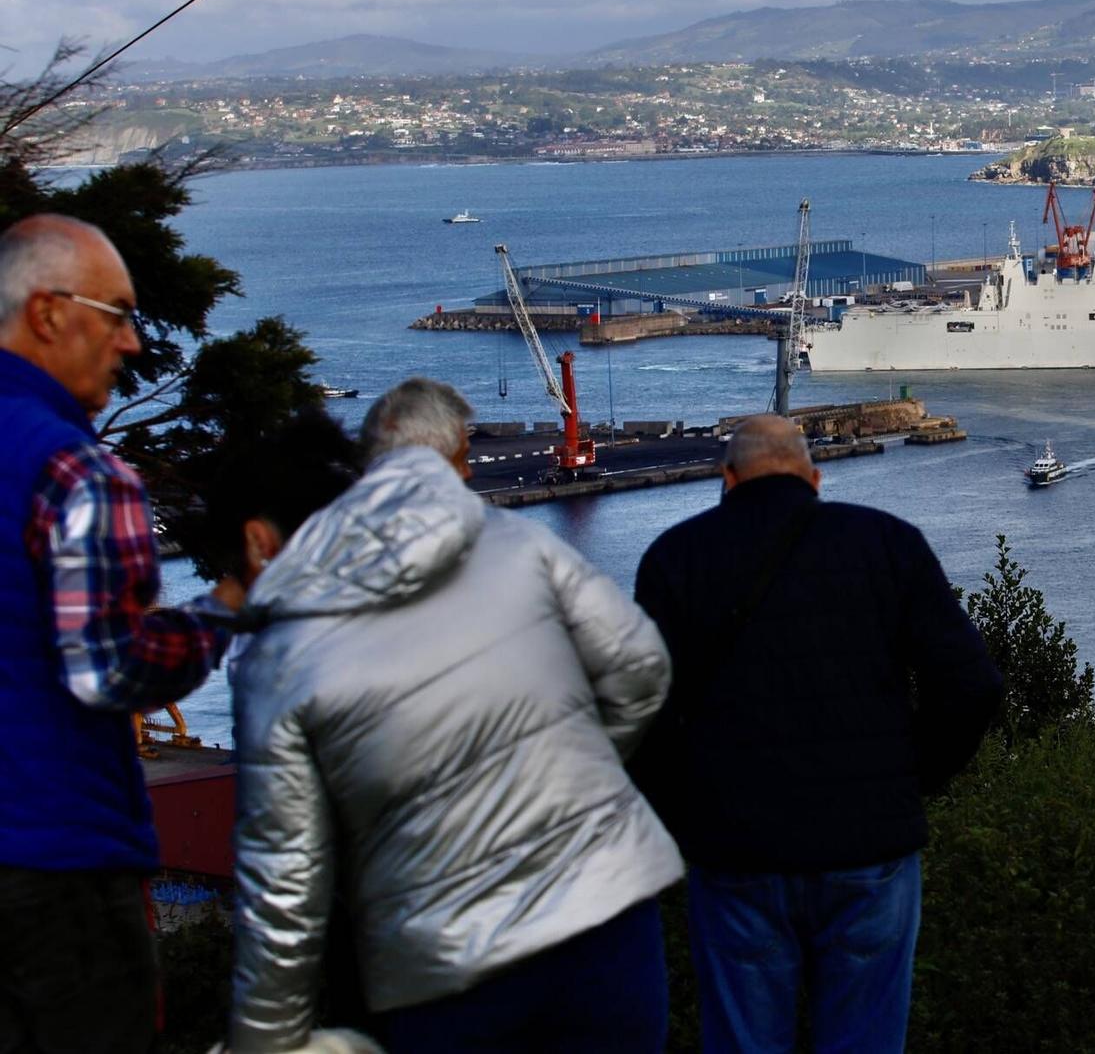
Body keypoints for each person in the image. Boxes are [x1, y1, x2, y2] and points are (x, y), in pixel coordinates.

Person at [228, 378, 682, 1054]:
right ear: (461, 459)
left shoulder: (279, 648)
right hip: (603, 911)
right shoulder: (523, 544)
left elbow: (284, 878)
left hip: (437, 953)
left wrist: (265, 1038)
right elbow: (642, 667)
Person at [631, 413, 1002, 1053]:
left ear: (727, 477)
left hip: (736, 850)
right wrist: (911, 781)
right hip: (870, 847)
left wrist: (687, 810)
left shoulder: (674, 558)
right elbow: (974, 686)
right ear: (815, 477)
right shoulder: (889, 543)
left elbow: (641, 713)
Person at [0, 214, 242, 1053]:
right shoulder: (78, 471)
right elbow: (109, 670)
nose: (134, 342)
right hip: (58, 865)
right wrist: (229, 604)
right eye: (116, 313)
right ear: (46, 313)